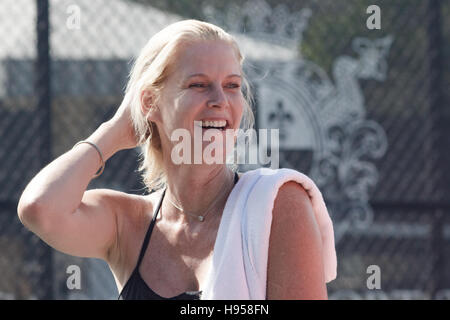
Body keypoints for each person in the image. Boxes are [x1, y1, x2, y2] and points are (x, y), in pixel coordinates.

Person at [17, 20, 335, 300]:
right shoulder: (127, 223)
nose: (220, 101)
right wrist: (114, 130)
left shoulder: (277, 202)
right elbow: (40, 209)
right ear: (150, 102)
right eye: (198, 85)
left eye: (232, 86)